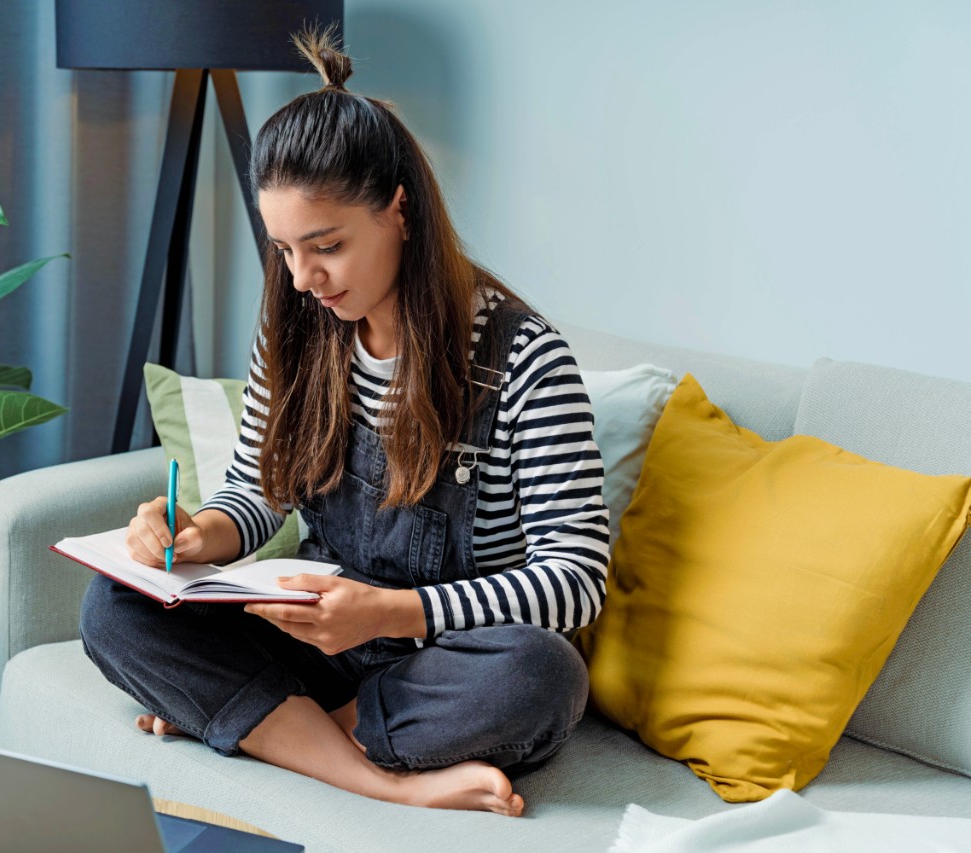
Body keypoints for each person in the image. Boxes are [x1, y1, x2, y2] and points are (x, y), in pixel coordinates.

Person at [79, 27, 609, 818]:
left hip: (439, 662)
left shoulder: (525, 359)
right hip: (313, 644)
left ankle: (266, 728)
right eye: (284, 249)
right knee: (111, 608)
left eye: (325, 246)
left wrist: (394, 611)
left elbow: (576, 578)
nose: (301, 279)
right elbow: (258, 489)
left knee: (543, 675)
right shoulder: (295, 328)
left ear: (399, 210)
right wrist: (196, 535)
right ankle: (381, 777)